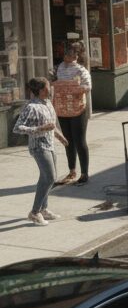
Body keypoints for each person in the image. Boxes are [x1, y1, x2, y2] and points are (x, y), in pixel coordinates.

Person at [12, 77, 68, 225]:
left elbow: (52, 124)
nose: (51, 89)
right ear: (41, 90)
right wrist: (39, 129)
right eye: (48, 87)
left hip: (50, 145)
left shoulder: (48, 103)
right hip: (38, 147)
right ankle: (34, 212)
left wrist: (60, 137)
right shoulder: (31, 107)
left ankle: (43, 209)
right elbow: (17, 128)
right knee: (49, 177)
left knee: (48, 178)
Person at [53, 41, 93, 186]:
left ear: (76, 55)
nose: (68, 56)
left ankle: (84, 173)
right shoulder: (58, 68)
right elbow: (50, 82)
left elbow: (88, 86)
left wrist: (71, 88)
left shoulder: (81, 70)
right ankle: (72, 171)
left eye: (71, 54)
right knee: (68, 141)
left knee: (80, 141)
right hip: (63, 109)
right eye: (66, 54)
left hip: (78, 109)